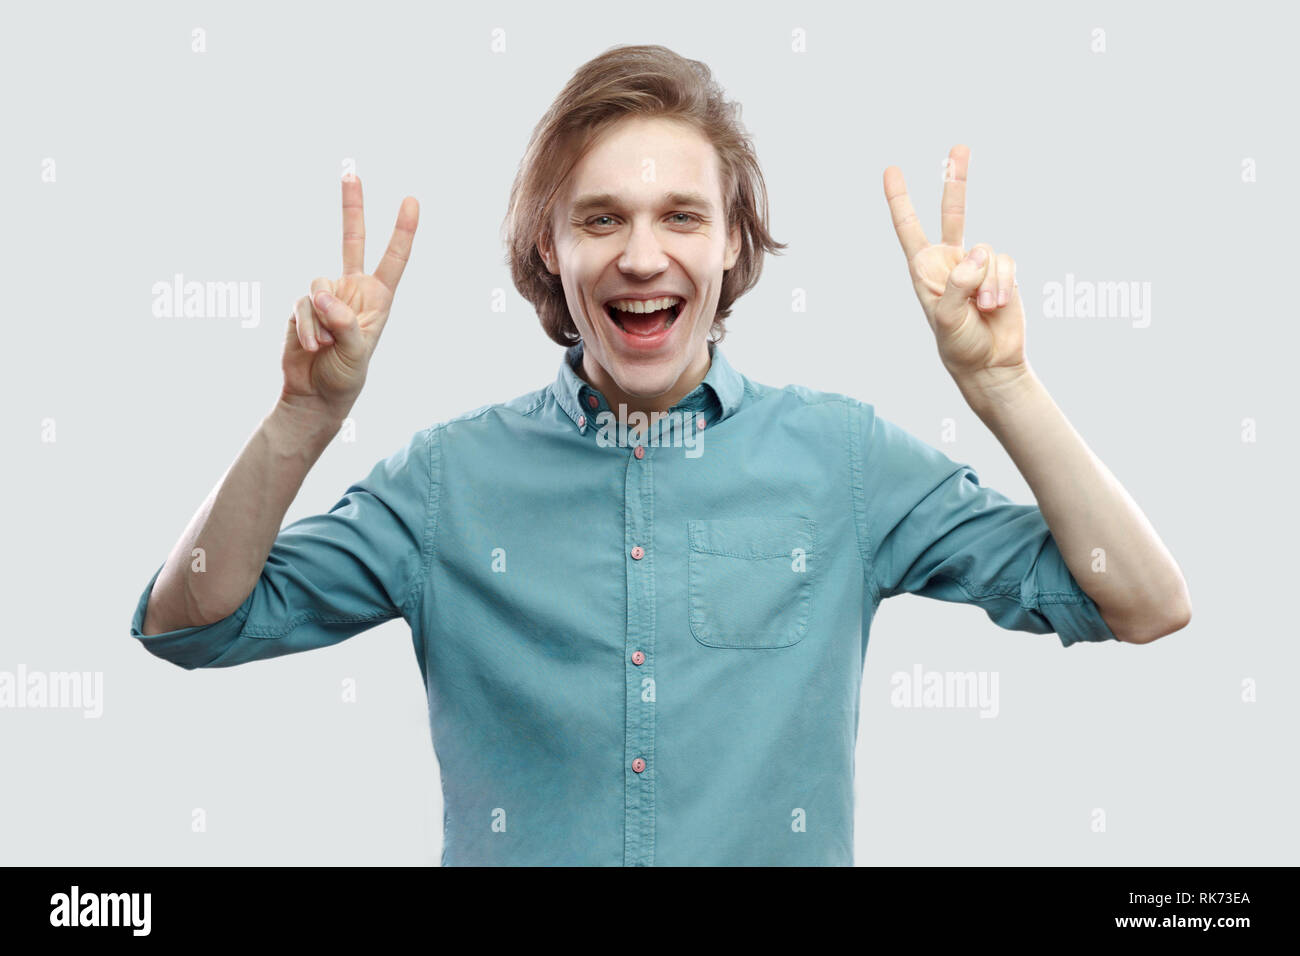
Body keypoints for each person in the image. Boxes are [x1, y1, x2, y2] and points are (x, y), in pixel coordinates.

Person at [130, 44, 1191, 866]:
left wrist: (1000, 385)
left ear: (734, 240)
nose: (643, 255)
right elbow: (190, 621)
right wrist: (300, 419)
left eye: (681, 214)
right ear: (553, 247)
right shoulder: (447, 483)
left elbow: (1140, 600)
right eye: (602, 218)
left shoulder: (844, 460)